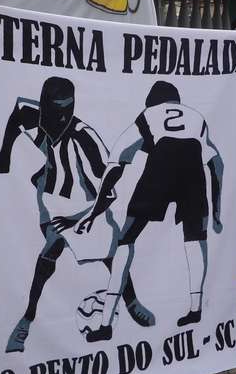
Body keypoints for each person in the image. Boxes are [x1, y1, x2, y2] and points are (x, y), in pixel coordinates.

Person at [0, 76, 155, 353]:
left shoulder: (84, 138)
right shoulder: (34, 116)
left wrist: (82, 220)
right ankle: (27, 319)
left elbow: (108, 190)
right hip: (54, 200)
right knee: (50, 250)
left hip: (89, 205)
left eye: (69, 109)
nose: (63, 117)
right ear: (45, 107)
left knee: (112, 254)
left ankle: (131, 302)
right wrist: (4, 157)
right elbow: (18, 113)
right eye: (57, 110)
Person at [54, 81, 225, 343]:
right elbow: (217, 163)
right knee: (195, 240)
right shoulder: (198, 118)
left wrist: (93, 213)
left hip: (161, 167)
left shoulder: (148, 115)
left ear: (153, 103)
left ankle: (105, 323)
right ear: (176, 102)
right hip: (193, 171)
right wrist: (216, 211)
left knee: (125, 241)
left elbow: (116, 162)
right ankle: (195, 309)